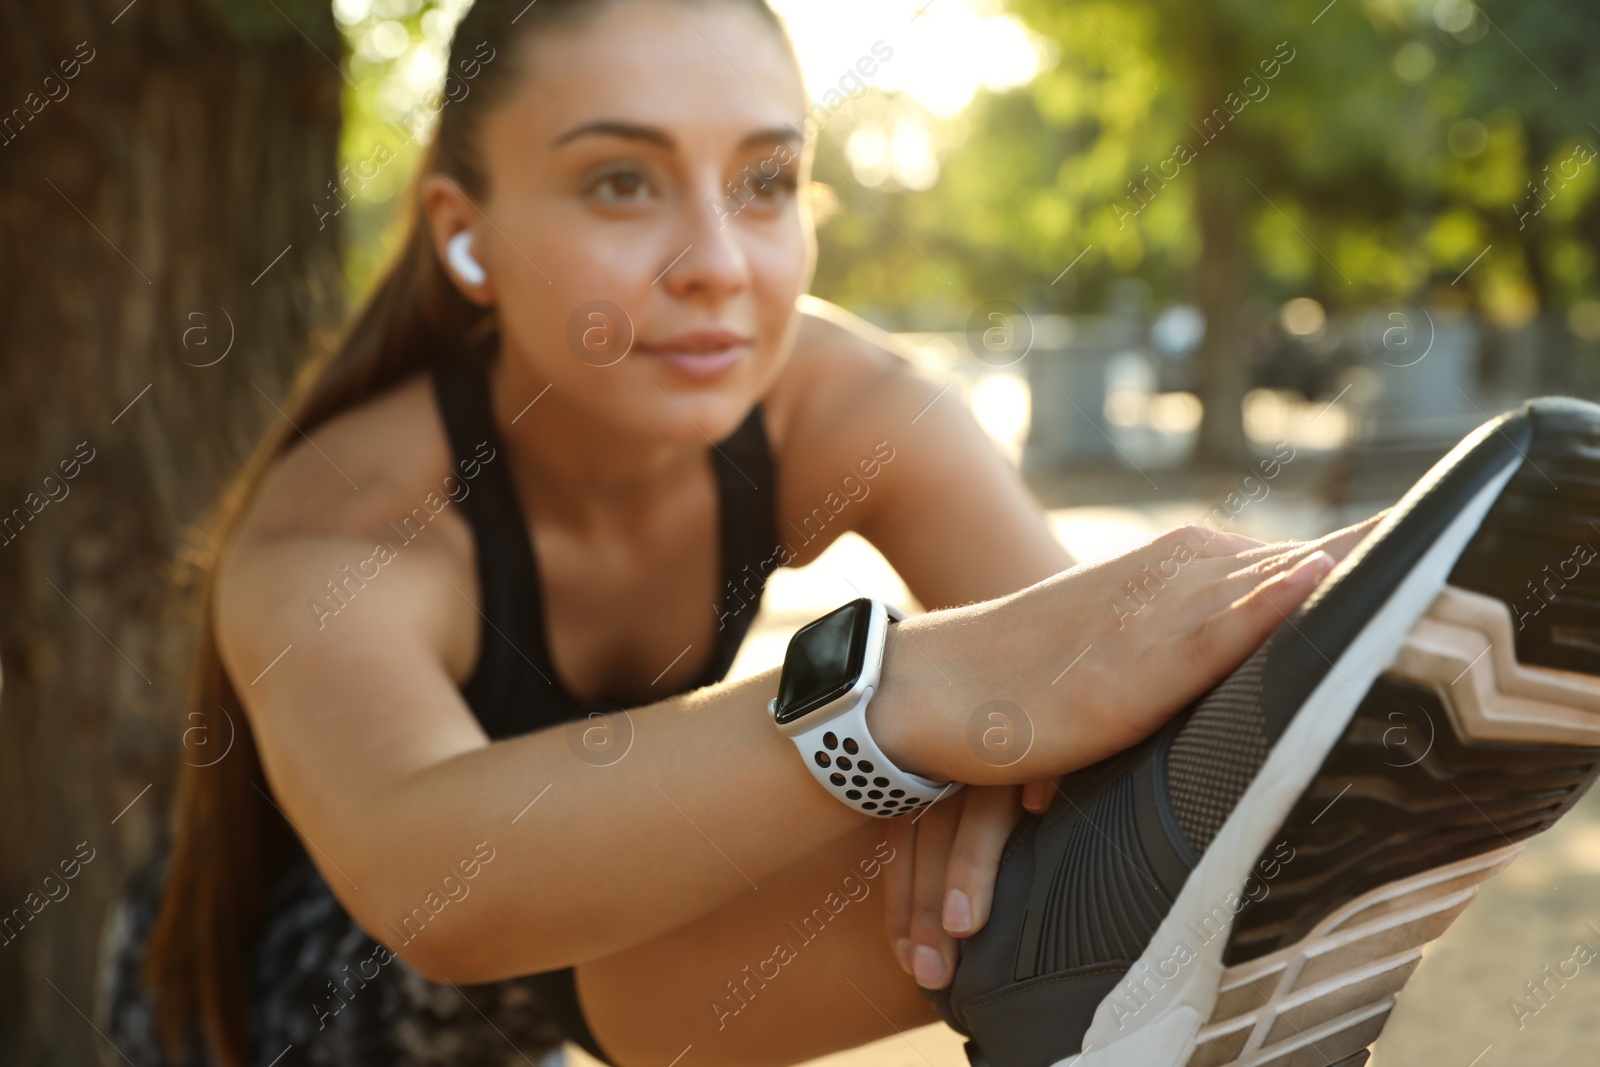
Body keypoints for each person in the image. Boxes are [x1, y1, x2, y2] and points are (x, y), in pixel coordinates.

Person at [97, 1, 1374, 1065]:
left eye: (766, 181)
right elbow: (428, 881)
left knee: (1065, 813)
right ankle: (1063, 932)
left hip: (605, 971)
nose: (717, 261)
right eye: (619, 181)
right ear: (463, 232)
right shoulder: (342, 525)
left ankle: (1101, 926)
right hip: (280, 1001)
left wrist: (1073, 734)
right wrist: (900, 690)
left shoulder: (842, 397)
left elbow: (1088, 707)